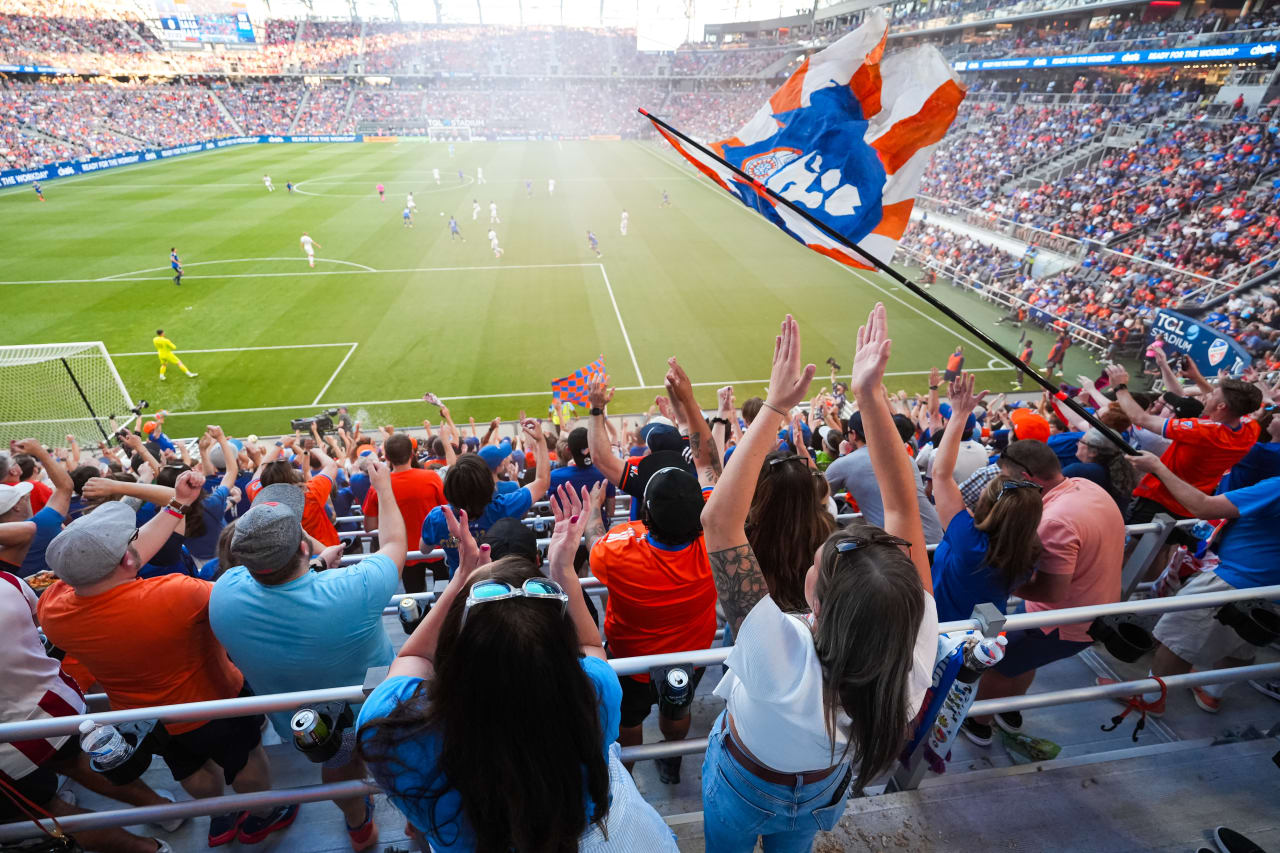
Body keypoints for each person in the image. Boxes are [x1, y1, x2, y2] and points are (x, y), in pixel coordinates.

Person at [699, 308, 939, 852]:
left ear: (817, 600)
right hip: (825, 787)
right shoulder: (911, 653)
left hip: (746, 785)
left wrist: (779, 406)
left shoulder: (779, 654)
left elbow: (718, 520)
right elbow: (904, 510)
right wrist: (870, 395)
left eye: (818, 565)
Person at [358, 485, 677, 852]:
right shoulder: (594, 693)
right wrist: (562, 568)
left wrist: (462, 578)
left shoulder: (395, 732)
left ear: (459, 654)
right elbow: (591, 647)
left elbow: (415, 660)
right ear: (560, 652)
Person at [38, 471, 297, 847]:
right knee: (246, 759)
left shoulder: (54, 607)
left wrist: (178, 505)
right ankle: (262, 815)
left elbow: (112, 565)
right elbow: (247, 599)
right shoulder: (175, 593)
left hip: (146, 717)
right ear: (129, 558)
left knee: (189, 770)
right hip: (218, 702)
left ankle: (220, 815)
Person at [210, 464, 408, 852]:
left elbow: (268, 588)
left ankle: (357, 824)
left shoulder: (224, 594)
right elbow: (395, 543)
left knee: (338, 762)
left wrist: (315, 568)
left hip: (305, 725)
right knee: (383, 761)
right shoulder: (357, 588)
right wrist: (383, 486)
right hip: (378, 706)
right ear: (304, 546)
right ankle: (407, 823)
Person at [2, 568, 182, 853]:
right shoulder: (6, 581)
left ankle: (146, 848)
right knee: (78, 762)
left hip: (8, 743)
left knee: (44, 814)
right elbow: (42, 629)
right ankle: (160, 810)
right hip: (53, 701)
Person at [964, 439, 1124, 746]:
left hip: (1061, 620)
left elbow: (1051, 592)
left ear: (1026, 477)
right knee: (1023, 660)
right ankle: (1009, 711)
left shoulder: (1055, 520)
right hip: (1088, 610)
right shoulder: (1084, 486)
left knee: (996, 664)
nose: (1002, 486)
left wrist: (1002, 583)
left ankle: (978, 722)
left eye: (1006, 478)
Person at [1109, 454, 1280, 713]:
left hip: (1231, 583)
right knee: (1240, 641)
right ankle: (1212, 693)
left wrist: (1158, 467)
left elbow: (1204, 506)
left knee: (1173, 641)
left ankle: (1150, 699)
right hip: (1270, 588)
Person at [583, 450, 715, 784]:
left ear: (647, 515)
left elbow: (594, 539)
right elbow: (710, 469)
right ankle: (672, 761)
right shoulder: (718, 543)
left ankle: (626, 780)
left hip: (632, 661)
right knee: (678, 708)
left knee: (628, 721)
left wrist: (591, 514)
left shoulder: (618, 550)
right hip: (692, 656)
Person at [930, 375, 1043, 622]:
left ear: (987, 505)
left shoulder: (970, 542)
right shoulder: (1029, 550)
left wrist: (959, 414)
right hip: (986, 631)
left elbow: (940, 474)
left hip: (945, 629)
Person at [421, 418, 549, 574]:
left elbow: (424, 549)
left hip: (459, 587)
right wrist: (540, 441)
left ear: (449, 490)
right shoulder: (502, 508)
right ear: (489, 486)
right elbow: (542, 483)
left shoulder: (438, 518)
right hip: (497, 581)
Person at [825, 410, 944, 545]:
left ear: (854, 434)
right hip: (935, 538)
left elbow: (818, 497)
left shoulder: (844, 464)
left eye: (847, 434)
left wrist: (842, 458)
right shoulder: (906, 458)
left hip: (901, 547)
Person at [744, 449, 834, 613]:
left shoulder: (746, 538)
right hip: (816, 620)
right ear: (810, 491)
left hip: (764, 621)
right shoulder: (828, 529)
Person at [363, 433, 446, 593]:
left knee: (416, 604)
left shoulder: (378, 486)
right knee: (445, 598)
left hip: (405, 553)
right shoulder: (431, 477)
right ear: (412, 454)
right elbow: (447, 510)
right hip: (436, 547)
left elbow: (369, 526)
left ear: (386, 456)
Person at [1, 439, 72, 578]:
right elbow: (65, 487)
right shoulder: (42, 524)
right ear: (16, 507)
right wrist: (40, 452)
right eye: (24, 498)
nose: (26, 499)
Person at [548, 427, 616, 528]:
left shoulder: (554, 476)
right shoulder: (606, 473)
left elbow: (551, 509)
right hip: (598, 534)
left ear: (568, 449)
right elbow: (610, 512)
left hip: (567, 535)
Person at [1063, 428, 1137, 515]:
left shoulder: (1078, 471)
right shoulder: (1123, 472)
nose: (1077, 443)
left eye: (1081, 441)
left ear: (1093, 452)